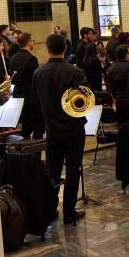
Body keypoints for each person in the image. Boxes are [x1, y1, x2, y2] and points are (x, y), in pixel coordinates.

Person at [32, 33, 88, 225]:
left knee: (52, 170)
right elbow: (85, 102)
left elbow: (37, 103)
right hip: (73, 129)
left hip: (52, 129)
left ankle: (51, 208)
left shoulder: (38, 73)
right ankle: (69, 211)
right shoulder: (75, 73)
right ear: (65, 48)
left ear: (47, 49)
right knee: (73, 170)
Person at [9, 33, 42, 139]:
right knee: (37, 127)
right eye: (32, 41)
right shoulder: (31, 59)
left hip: (18, 95)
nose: (33, 43)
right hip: (30, 97)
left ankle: (24, 148)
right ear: (28, 42)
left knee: (25, 127)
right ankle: (36, 152)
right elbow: (35, 79)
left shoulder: (13, 58)